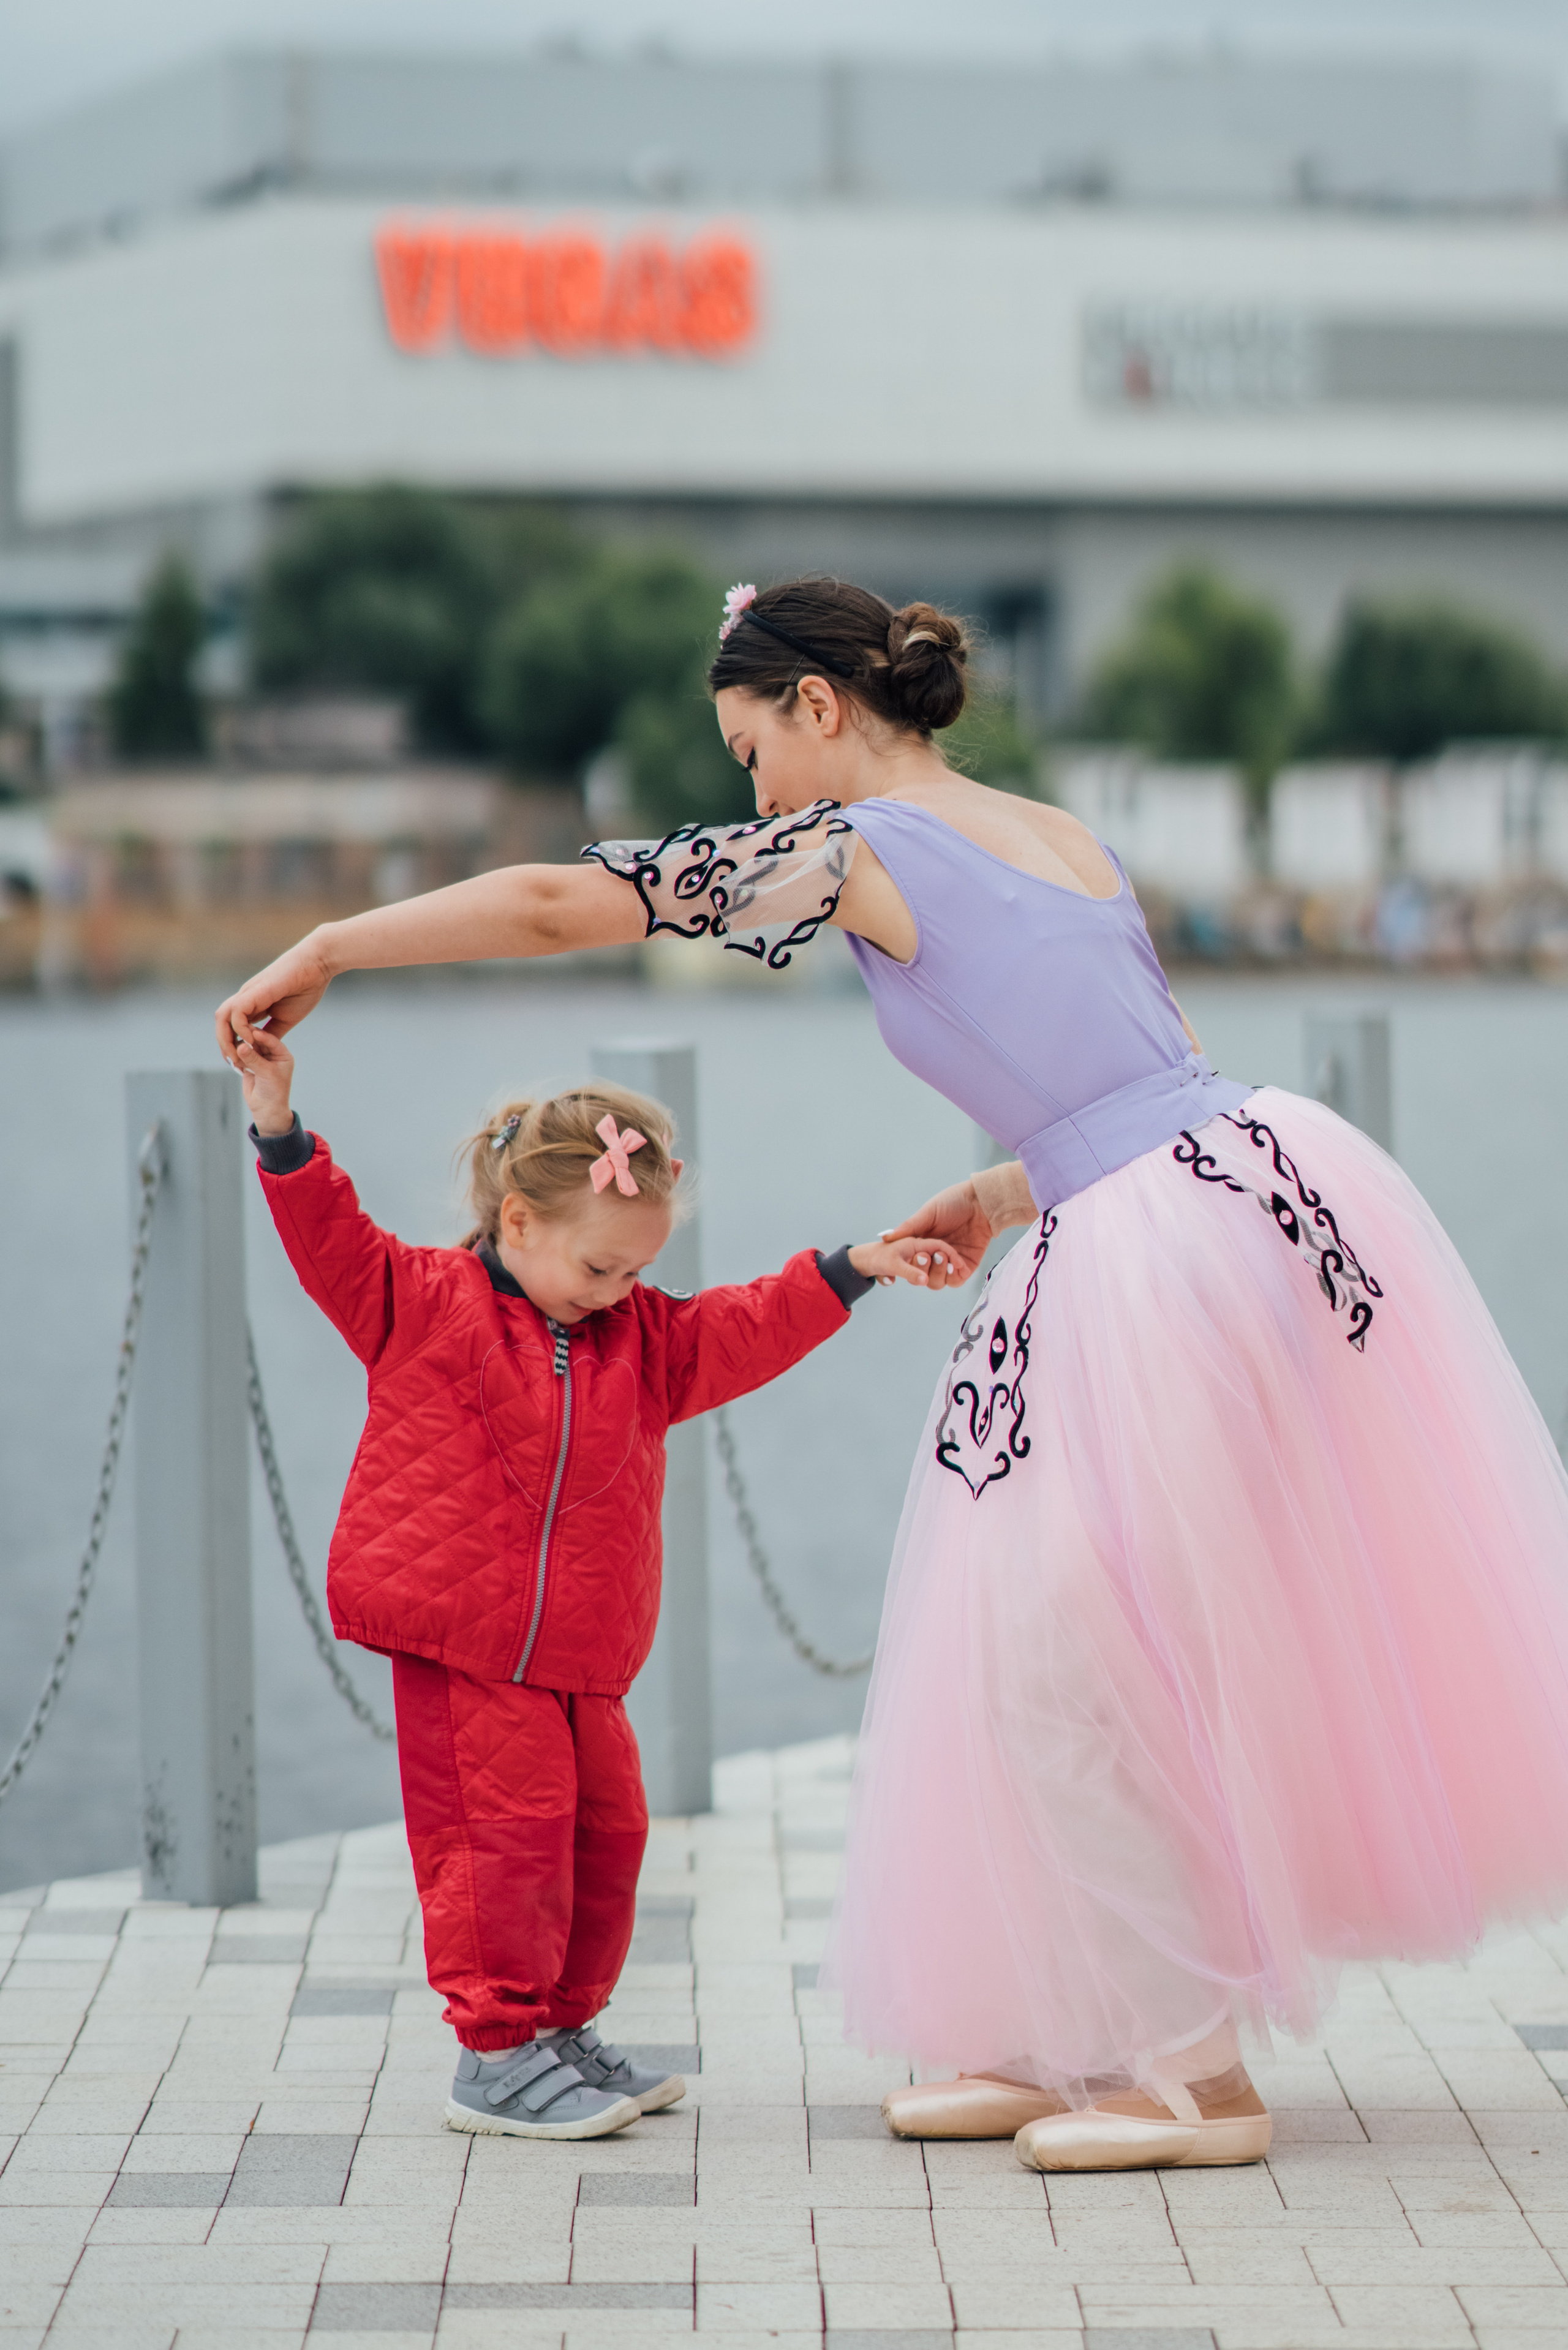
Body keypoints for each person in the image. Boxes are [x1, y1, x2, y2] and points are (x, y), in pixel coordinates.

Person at [217, 574, 1568, 2175]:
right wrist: (1006, 1191)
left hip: (1161, 1244)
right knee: (1027, 1631)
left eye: (747, 752)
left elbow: (555, 906)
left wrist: (335, 944)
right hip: (1234, 1191)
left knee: (1088, 1643)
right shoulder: (1060, 830)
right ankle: (1073, 2019)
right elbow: (1137, 1065)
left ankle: (1192, 2068)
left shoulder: (861, 849)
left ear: (817, 706)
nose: (756, 792)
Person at [233, 1020, 940, 2141]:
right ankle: (496, 2053)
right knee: (500, 1843)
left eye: (638, 1271)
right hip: (471, 1649)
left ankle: (559, 2028)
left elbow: (744, 1324)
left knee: (606, 1837)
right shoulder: (419, 1304)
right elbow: (329, 1238)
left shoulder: (642, 1343)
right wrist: (278, 1124)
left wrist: (854, 1267)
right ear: (518, 1221)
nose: (617, 1292)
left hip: (582, 1659)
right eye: (600, 1266)